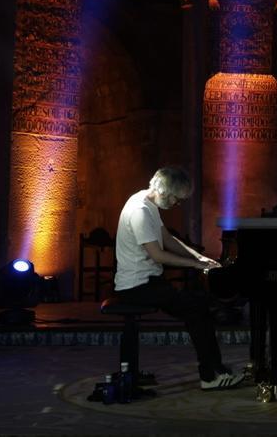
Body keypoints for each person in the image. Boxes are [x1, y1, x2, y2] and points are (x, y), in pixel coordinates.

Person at [113, 166, 239, 390]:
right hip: (137, 287)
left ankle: (214, 371)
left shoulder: (146, 201)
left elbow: (167, 238)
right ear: (162, 191)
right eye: (176, 199)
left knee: (198, 306)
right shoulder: (140, 210)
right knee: (198, 309)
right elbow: (158, 254)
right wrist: (195, 264)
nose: (176, 204)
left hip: (149, 282)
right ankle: (211, 376)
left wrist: (199, 257)